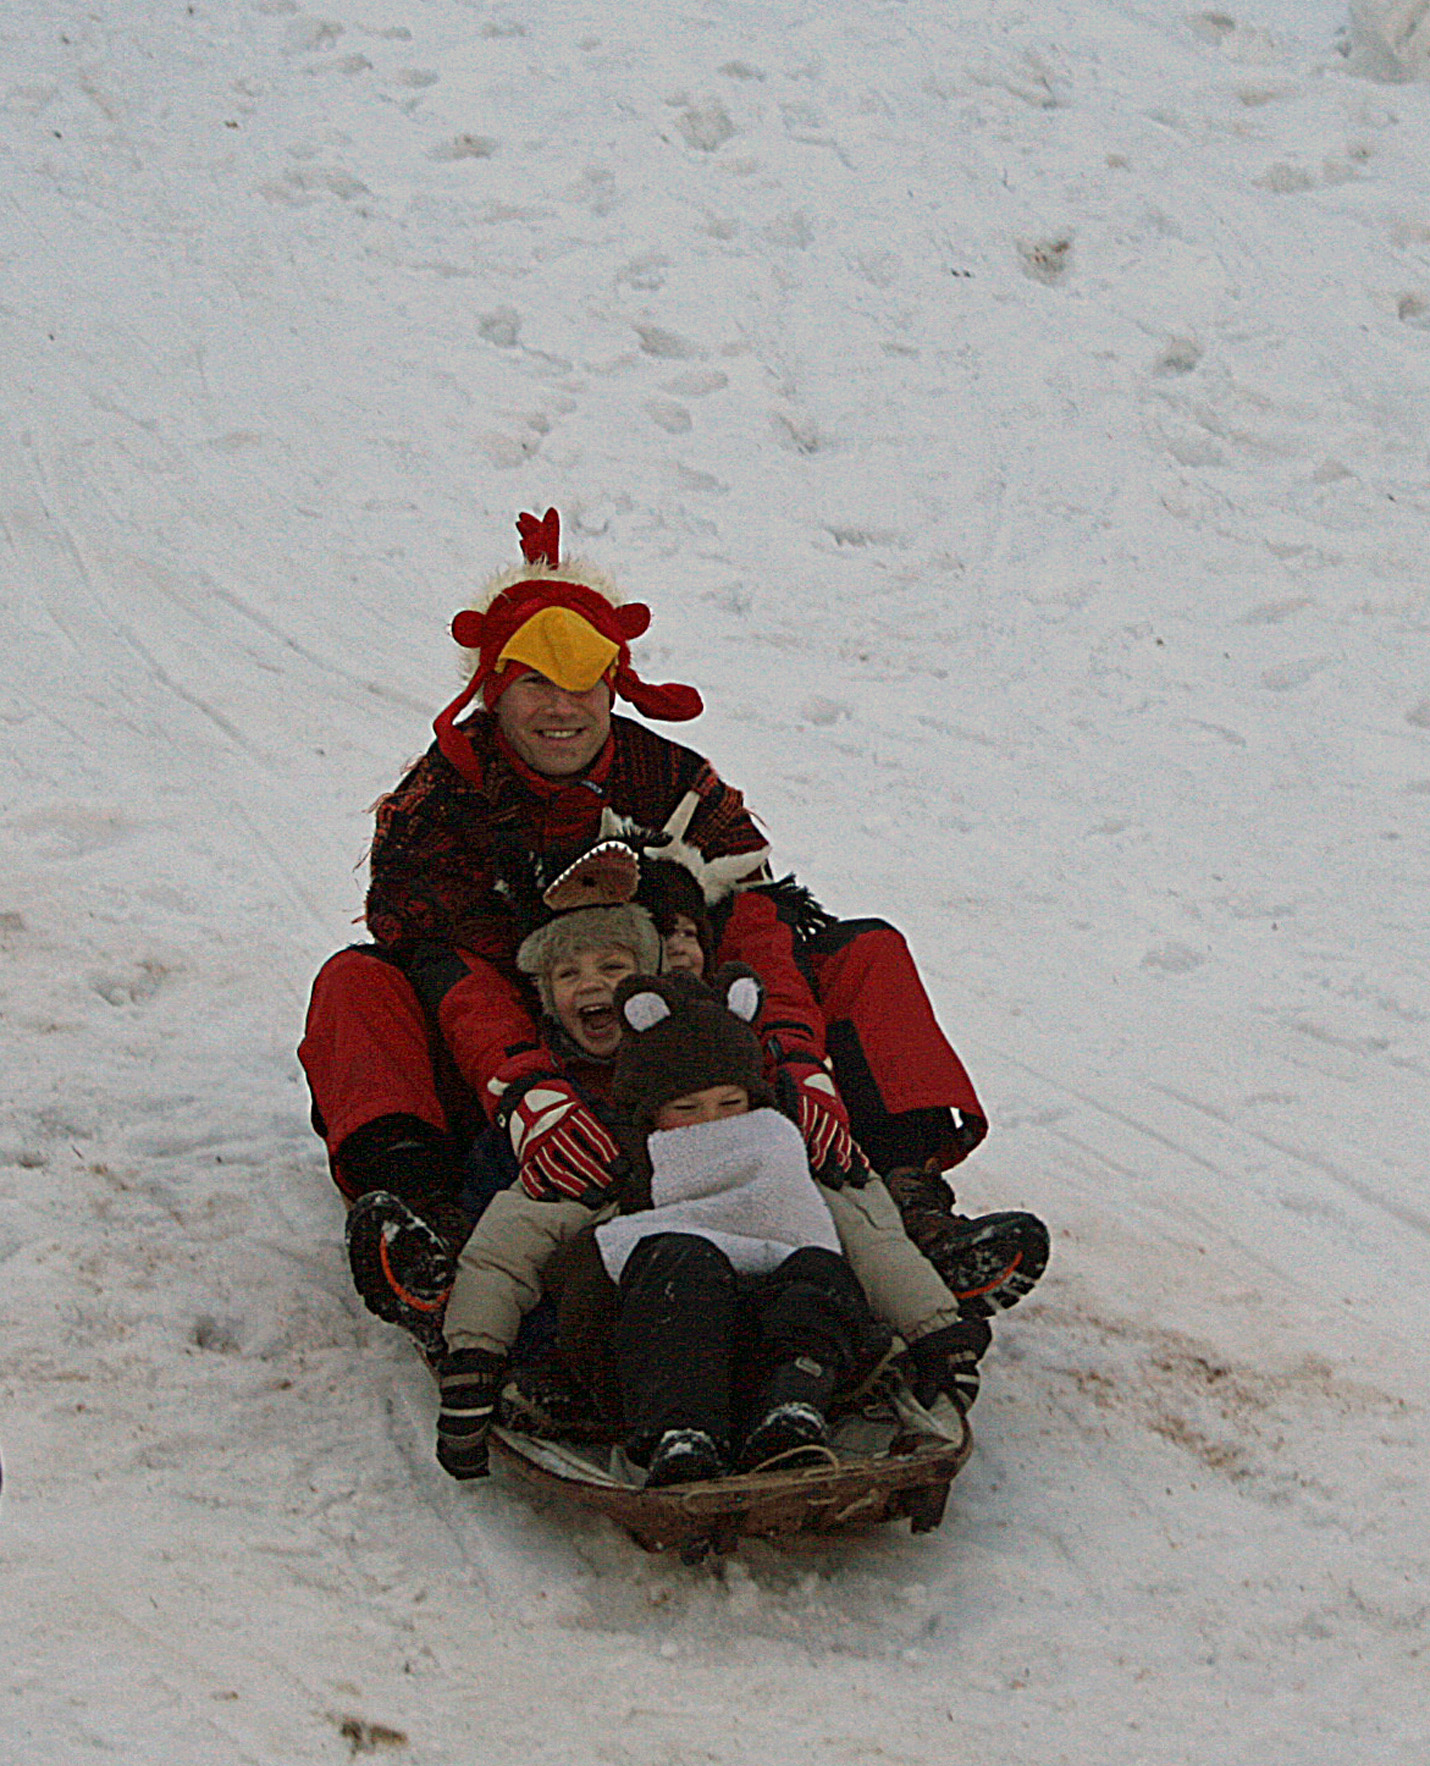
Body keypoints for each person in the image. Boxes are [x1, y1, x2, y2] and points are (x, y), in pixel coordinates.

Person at [300, 508, 1044, 1379]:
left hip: (689, 1045)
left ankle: (916, 1214)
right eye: (536, 683)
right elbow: (448, 973)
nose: (562, 709)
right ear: (493, 691)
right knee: (356, 986)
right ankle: (434, 1237)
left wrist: (798, 1069)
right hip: (508, 1057)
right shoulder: (440, 802)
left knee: (865, 952)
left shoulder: (675, 782)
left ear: (615, 688)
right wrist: (528, 1095)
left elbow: (759, 932)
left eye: (583, 684)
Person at [437, 970, 896, 1486]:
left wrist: (937, 1331)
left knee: (818, 1265)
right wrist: (472, 1361)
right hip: (645, 1355)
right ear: (651, 1110)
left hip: (766, 1351)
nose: (710, 1121)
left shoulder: (782, 1147)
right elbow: (507, 1250)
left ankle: (791, 1411)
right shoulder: (608, 1157)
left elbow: (874, 1242)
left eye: (731, 1103)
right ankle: (681, 1433)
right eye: (685, 1108)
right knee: (683, 1259)